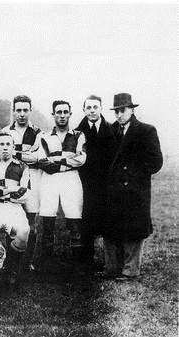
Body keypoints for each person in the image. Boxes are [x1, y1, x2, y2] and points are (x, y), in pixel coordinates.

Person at [102, 93, 162, 281]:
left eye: (123, 110)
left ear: (132, 109)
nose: (119, 115)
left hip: (135, 190)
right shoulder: (111, 130)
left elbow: (156, 162)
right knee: (112, 228)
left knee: (133, 230)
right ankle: (112, 268)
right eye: (116, 111)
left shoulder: (146, 131)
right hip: (114, 189)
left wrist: (133, 176)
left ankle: (130, 270)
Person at [36, 100, 86, 271]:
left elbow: (81, 159)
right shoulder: (43, 136)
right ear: (53, 115)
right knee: (48, 219)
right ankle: (47, 265)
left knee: (74, 218)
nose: (62, 115)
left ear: (70, 114)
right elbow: (42, 161)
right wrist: (67, 161)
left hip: (71, 179)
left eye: (65, 112)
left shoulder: (78, 135)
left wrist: (57, 159)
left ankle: (77, 265)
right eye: (59, 112)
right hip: (49, 179)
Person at [0, 133, 31, 285]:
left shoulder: (22, 167)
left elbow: (24, 194)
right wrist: (11, 189)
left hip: (13, 207)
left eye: (8, 144)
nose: (5, 148)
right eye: (1, 144)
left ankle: (11, 268)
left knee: (23, 231)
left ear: (13, 148)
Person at [75, 95, 117, 270]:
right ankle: (86, 261)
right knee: (86, 221)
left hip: (106, 183)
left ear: (101, 108)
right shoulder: (77, 132)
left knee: (108, 220)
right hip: (85, 183)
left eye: (95, 107)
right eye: (89, 107)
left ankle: (111, 262)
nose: (92, 110)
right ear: (84, 110)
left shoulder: (112, 130)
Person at [2, 95, 42, 269]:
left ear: (30, 111)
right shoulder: (5, 131)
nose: (22, 114)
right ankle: (10, 261)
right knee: (12, 220)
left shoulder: (38, 132)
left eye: (25, 110)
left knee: (31, 222)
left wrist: (15, 153)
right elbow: (2, 155)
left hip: (33, 177)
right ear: (13, 111)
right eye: (18, 110)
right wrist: (24, 155)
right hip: (11, 177)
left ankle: (26, 262)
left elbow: (37, 157)